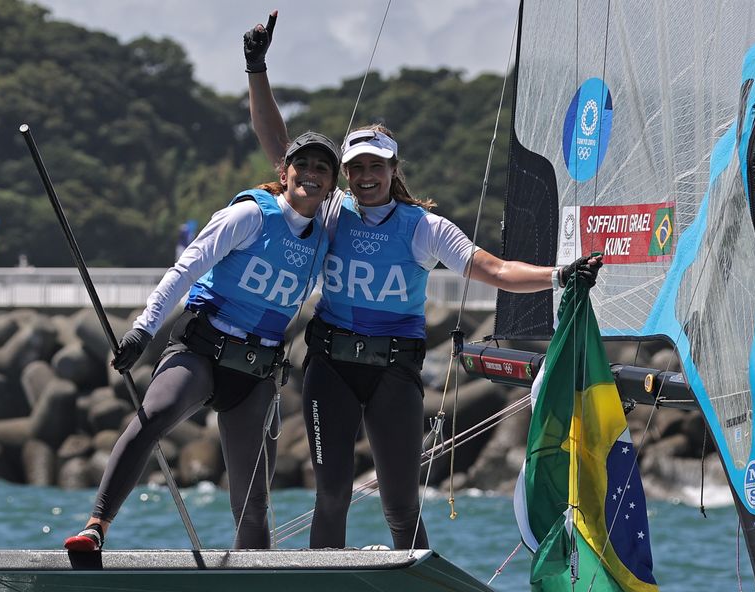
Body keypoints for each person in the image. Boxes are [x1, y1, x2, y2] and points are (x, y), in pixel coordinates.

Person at [244, 12, 603, 551]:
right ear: (345, 175)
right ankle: (324, 590)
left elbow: (495, 270)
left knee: (400, 502)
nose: (366, 177)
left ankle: (418, 591)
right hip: (331, 368)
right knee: (333, 494)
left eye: (377, 168)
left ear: (393, 171)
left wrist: (559, 276)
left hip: (394, 371)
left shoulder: (424, 229)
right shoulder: (331, 210)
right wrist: (256, 67)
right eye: (357, 168)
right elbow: (278, 146)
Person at [65, 130, 341, 552]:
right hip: (202, 351)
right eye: (301, 164)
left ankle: (253, 586)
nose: (311, 174)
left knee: (252, 504)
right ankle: (95, 527)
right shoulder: (249, 216)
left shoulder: (326, 237)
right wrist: (143, 330)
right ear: (283, 172)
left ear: (331, 184)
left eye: (322, 168)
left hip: (257, 372)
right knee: (153, 416)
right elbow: (185, 269)